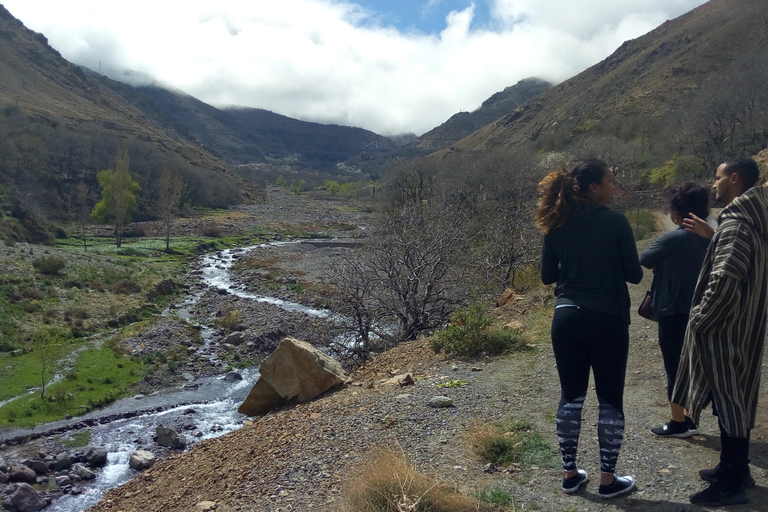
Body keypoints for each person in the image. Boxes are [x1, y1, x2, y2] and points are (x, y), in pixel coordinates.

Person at [537, 159, 643, 499]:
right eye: (610, 181)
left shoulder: (557, 223)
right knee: (610, 399)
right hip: (607, 318)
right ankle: (608, 481)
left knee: (571, 396)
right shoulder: (614, 221)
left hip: (566, 317)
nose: (613, 186)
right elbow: (635, 275)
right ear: (594, 188)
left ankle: (570, 474)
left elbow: (547, 276)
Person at [672, 157, 768, 506]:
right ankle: (736, 468)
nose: (714, 184)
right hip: (745, 326)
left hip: (725, 331)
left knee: (729, 403)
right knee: (736, 401)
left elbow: (725, 281)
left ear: (735, 179)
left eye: (719, 177)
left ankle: (730, 483)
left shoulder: (738, 226)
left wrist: (699, 319)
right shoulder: (752, 221)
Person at [639, 183, 710, 438]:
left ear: (678, 212)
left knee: (674, 366)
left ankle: (678, 421)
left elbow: (644, 259)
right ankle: (689, 415)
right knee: (692, 362)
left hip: (673, 310)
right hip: (701, 309)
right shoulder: (710, 237)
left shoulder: (674, 238)